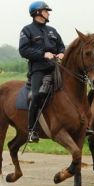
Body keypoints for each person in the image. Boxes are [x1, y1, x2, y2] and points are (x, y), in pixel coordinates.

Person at [19, 1, 65, 143]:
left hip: (55, 68)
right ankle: (32, 130)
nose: (48, 13)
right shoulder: (27, 30)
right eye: (46, 11)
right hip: (38, 69)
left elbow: (61, 46)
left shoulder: (52, 30)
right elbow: (23, 50)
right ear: (38, 12)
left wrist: (62, 53)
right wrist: (43, 54)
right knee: (37, 95)